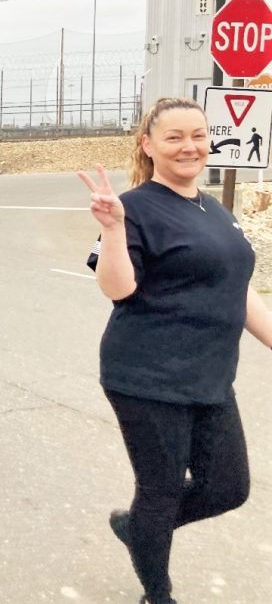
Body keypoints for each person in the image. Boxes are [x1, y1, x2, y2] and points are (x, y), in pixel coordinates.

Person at [78, 97, 272, 604]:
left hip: (209, 376)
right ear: (148, 144)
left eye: (198, 135)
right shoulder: (133, 207)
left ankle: (141, 529)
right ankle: (157, 592)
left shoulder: (214, 208)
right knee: (161, 491)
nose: (189, 146)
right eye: (174, 137)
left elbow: (239, 288)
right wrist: (114, 227)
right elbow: (117, 288)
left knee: (228, 488)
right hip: (146, 376)